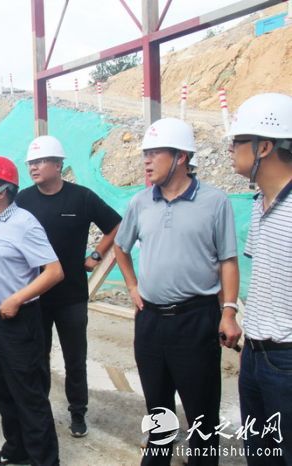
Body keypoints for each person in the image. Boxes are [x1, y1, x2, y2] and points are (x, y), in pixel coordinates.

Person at [113, 118, 241, 465]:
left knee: (202, 416)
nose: (147, 160)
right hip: (150, 321)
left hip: (195, 320)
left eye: (155, 153)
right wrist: (132, 285)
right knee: (158, 412)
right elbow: (121, 247)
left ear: (181, 156)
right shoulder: (140, 203)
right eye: (145, 153)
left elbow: (228, 260)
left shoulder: (215, 202)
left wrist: (228, 311)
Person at [15, 135, 121, 437]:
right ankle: (40, 413)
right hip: (35, 295)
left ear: (58, 164)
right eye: (31, 163)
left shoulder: (81, 197)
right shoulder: (22, 200)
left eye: (40, 161)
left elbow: (116, 225)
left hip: (72, 295)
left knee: (75, 357)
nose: (33, 167)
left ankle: (78, 412)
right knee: (38, 357)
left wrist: (96, 255)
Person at [0, 156, 63, 466]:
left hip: (19, 322)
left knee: (29, 395)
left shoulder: (24, 223)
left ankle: (44, 460)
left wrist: (16, 299)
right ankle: (16, 450)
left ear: (2, 191)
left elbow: (54, 272)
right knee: (2, 392)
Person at [229, 93, 292, 465]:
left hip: (287, 360)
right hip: (255, 355)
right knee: (260, 454)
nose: (231, 149)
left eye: (238, 141)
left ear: (264, 146)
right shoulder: (259, 205)